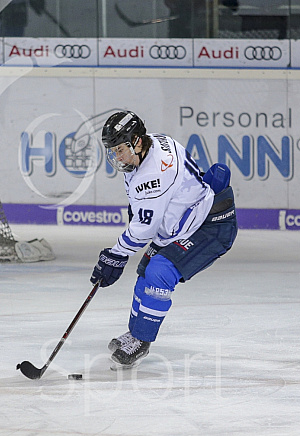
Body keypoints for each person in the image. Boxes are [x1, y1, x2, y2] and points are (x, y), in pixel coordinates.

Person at [91, 111, 237, 369]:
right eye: (113, 151)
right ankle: (134, 333)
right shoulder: (153, 143)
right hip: (183, 220)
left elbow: (145, 229)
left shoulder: (154, 172)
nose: (117, 156)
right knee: (145, 270)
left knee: (160, 271)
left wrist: (116, 254)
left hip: (210, 225)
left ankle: (141, 341)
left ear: (137, 141)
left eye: (120, 149)